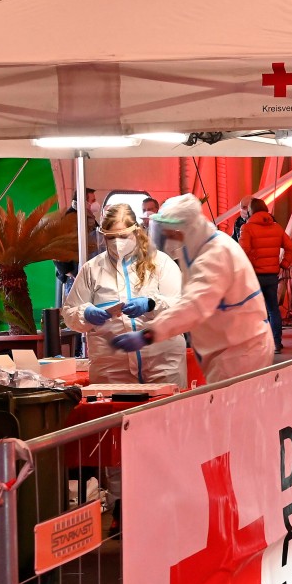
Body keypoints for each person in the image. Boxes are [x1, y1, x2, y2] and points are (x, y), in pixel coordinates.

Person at [61, 202, 187, 535]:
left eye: (122, 236)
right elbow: (70, 310)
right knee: (116, 438)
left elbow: (181, 305)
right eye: (109, 237)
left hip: (161, 359)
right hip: (111, 361)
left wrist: (151, 304)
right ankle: (121, 508)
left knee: (165, 433)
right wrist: (88, 313)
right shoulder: (92, 269)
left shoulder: (160, 264)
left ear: (136, 232)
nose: (116, 243)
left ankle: (165, 504)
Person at [111, 194, 273, 382]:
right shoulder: (199, 247)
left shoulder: (215, 255)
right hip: (229, 346)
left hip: (240, 352)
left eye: (172, 234)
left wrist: (149, 334)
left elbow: (194, 306)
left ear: (186, 229)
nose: (169, 239)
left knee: (233, 408)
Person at [239, 197, 292, 354]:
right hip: (272, 275)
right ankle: (276, 343)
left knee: (255, 311)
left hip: (255, 276)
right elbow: (290, 247)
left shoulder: (247, 228)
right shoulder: (276, 227)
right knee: (273, 309)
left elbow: (244, 252)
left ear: (251, 211)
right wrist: (284, 264)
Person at [53, 188, 99, 298]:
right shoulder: (69, 219)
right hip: (75, 276)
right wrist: (71, 273)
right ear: (84, 202)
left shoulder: (88, 217)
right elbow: (57, 250)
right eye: (93, 201)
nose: (96, 204)